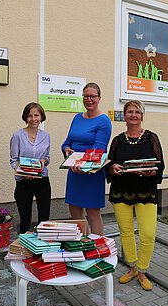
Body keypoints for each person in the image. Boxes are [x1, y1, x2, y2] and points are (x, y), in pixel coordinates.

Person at [106, 100, 164, 291]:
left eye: (137, 112)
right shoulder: (117, 140)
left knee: (148, 233)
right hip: (121, 191)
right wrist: (112, 168)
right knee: (126, 232)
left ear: (142, 115)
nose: (133, 115)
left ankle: (142, 270)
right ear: (125, 115)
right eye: (129, 111)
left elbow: (160, 164)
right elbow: (109, 163)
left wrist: (151, 172)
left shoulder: (151, 138)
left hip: (145, 191)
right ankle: (132, 268)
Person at [61, 82, 112, 235]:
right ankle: (82, 244)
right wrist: (66, 150)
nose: (89, 99)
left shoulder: (104, 121)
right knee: (74, 210)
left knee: (92, 212)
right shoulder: (77, 118)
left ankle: (97, 249)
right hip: (74, 172)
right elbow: (67, 142)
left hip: (91, 172)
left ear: (99, 98)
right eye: (86, 96)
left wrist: (83, 165)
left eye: (92, 96)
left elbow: (99, 149)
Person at [10, 102, 51, 234]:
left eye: (36, 115)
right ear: (25, 117)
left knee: (44, 220)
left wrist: (43, 162)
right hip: (24, 182)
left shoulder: (46, 136)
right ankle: (23, 250)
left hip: (42, 180)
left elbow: (47, 157)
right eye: (30, 116)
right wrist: (23, 172)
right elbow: (13, 160)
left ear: (41, 117)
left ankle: (42, 250)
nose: (33, 119)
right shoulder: (17, 136)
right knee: (25, 220)